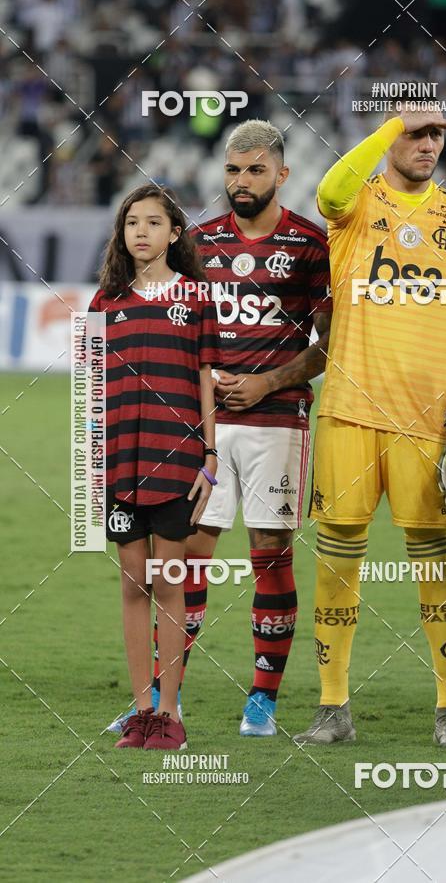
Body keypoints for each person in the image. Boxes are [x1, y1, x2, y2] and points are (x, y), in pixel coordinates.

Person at [110, 120, 332, 737]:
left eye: (255, 170)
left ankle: (262, 698)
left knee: (269, 552)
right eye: (233, 170)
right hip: (199, 426)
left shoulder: (311, 245)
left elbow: (331, 345)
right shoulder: (198, 243)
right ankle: (158, 701)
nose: (242, 181)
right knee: (186, 559)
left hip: (276, 421)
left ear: (282, 175)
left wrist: (269, 380)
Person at [293, 103, 446, 746]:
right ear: (391, 139)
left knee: (436, 565)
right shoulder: (354, 209)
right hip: (349, 413)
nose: (428, 144)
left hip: (429, 422)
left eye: (437, 134)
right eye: (417, 134)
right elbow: (328, 189)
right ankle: (332, 708)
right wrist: (391, 124)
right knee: (336, 564)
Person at [92, 183, 219, 749]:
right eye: (131, 223)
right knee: (130, 588)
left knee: (168, 584)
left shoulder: (195, 298)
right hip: (121, 465)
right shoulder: (105, 303)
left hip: (175, 462)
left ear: (174, 232)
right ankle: (141, 712)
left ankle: (170, 714)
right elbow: (92, 393)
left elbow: (205, 381)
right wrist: (91, 469)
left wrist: (209, 458)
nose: (140, 231)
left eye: (152, 222)